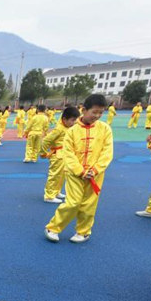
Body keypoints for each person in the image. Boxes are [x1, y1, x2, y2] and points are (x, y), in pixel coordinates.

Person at [44, 94, 113, 243]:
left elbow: (107, 152)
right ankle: (53, 227)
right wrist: (80, 171)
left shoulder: (105, 129)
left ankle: (83, 231)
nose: (98, 115)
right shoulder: (72, 131)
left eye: (101, 112)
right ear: (84, 110)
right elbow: (68, 154)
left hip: (95, 175)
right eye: (94, 112)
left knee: (89, 205)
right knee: (72, 202)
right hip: (76, 174)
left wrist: (95, 170)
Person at [41, 106, 80, 203]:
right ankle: (49, 196)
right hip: (58, 155)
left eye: (75, 120)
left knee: (62, 175)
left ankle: (56, 192)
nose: (74, 122)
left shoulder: (67, 128)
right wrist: (44, 153)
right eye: (72, 120)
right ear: (64, 119)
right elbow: (46, 140)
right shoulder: (59, 129)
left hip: (65, 155)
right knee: (55, 175)